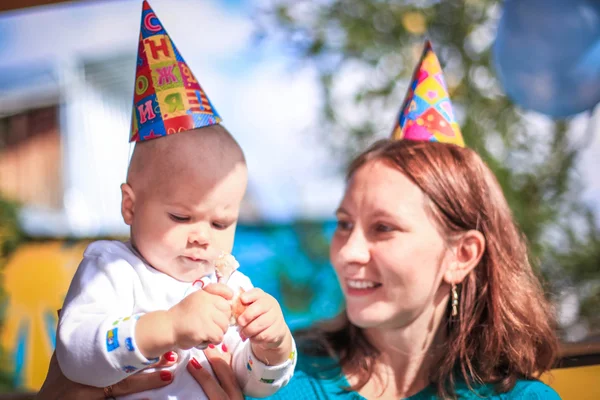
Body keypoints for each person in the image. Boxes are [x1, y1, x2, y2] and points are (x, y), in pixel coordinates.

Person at [38, 41, 562, 399]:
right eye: (342, 223)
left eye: (383, 227)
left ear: (462, 254)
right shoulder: (296, 375)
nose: (349, 251)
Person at [53, 1, 296, 399]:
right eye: (182, 216)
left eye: (220, 223)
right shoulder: (113, 269)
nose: (203, 237)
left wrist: (272, 350)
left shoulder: (232, 286)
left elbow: (253, 384)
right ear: (130, 207)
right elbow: (76, 355)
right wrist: (167, 327)